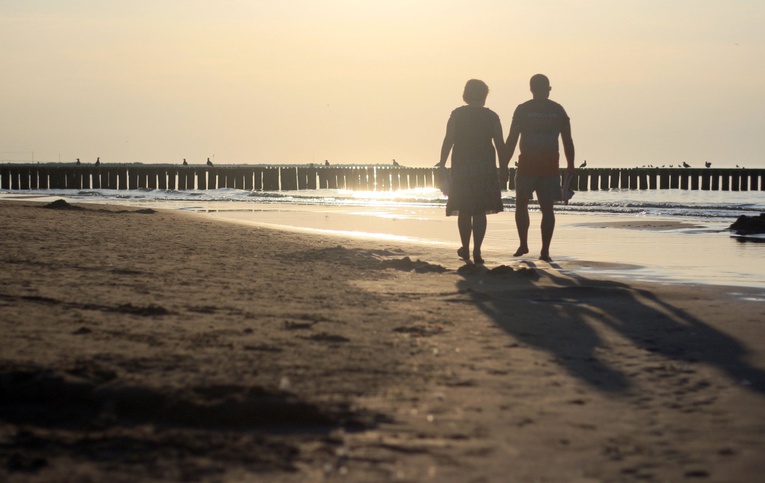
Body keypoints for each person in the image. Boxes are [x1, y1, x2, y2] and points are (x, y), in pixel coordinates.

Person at [501, 74, 575, 262]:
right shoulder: (557, 110)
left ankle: (523, 243)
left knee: (521, 205)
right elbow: (567, 141)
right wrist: (571, 165)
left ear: (531, 89)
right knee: (547, 209)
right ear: (548, 89)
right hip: (549, 166)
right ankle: (545, 250)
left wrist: (503, 164)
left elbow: (511, 139)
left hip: (527, 165)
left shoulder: (523, 109)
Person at [438, 79, 507, 264]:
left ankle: (466, 248)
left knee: (464, 209)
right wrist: (504, 167)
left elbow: (448, 140)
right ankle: (477, 251)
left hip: (462, 167)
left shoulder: (457, 115)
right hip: (485, 167)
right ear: (484, 96)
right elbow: (500, 144)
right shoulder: (492, 117)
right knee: (480, 210)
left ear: (466, 95)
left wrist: (442, 164)